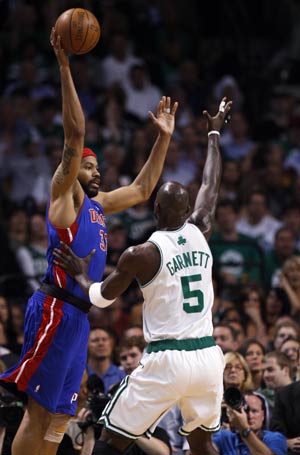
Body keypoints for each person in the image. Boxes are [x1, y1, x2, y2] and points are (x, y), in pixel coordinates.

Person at [0, 26, 178, 455]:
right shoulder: (64, 199)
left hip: (80, 316)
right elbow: (74, 137)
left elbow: (140, 190)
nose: (96, 173)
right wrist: (64, 67)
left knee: (62, 415)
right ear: (70, 172)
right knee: (39, 411)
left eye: (97, 168)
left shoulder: (98, 207)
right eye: (88, 168)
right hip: (56, 307)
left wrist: (163, 139)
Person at [53, 97, 232, 455]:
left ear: (155, 209)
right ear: (187, 210)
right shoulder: (201, 227)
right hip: (209, 357)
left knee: (110, 440)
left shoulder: (142, 253)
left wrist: (80, 274)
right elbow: (211, 183)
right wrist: (214, 132)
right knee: (202, 443)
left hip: (167, 359)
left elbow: (102, 297)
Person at [213, 391, 287, 455]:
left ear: (263, 415)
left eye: (254, 411)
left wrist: (244, 429)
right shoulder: (225, 437)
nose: (250, 416)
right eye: (245, 411)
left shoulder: (274, 438)